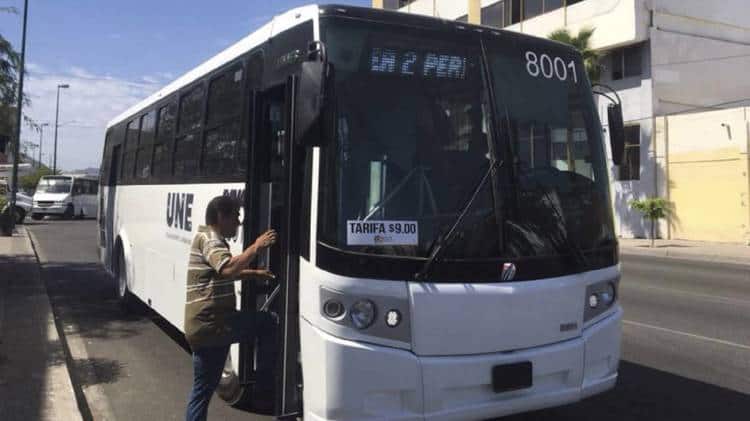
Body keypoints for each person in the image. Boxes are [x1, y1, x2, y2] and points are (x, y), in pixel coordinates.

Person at [184, 195, 278, 421]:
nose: (239, 222)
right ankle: (265, 389)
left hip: (204, 326)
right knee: (269, 323)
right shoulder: (211, 240)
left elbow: (221, 274)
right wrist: (256, 247)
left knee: (202, 392)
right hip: (214, 324)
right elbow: (227, 269)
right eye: (235, 216)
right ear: (221, 216)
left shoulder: (206, 237)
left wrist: (254, 274)